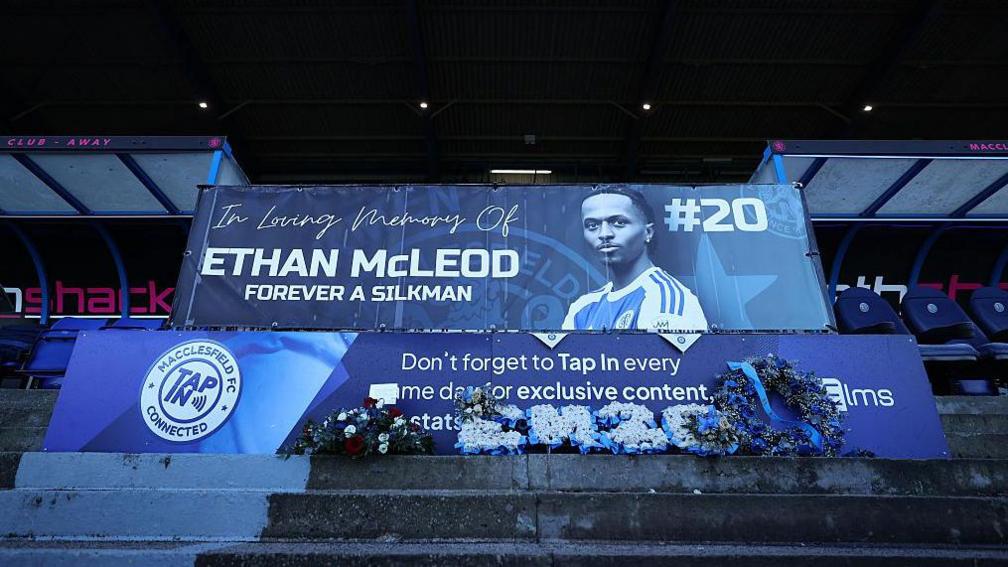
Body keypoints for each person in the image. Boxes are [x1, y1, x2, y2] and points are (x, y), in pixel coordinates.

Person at [562, 187, 707, 331]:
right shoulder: (582, 309)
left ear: (648, 232)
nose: (604, 234)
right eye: (592, 225)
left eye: (619, 222)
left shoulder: (664, 299)